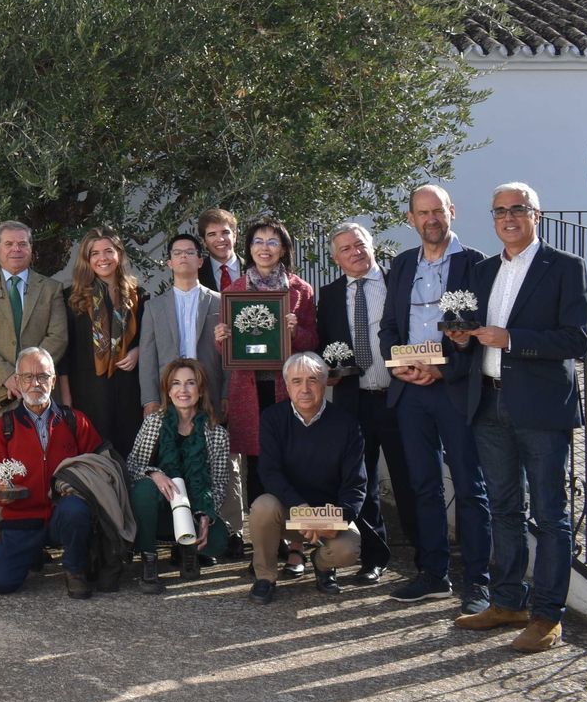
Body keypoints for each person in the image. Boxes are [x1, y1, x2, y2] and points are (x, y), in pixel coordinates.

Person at [449, 183, 587, 652]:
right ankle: (509, 602)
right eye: (499, 211)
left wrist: (511, 339)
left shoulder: (565, 266)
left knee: (549, 515)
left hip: (540, 410)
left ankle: (548, 615)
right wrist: (463, 339)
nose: (508, 218)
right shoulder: (483, 270)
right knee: (504, 509)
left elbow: (576, 340)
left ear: (536, 214)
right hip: (488, 404)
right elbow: (475, 333)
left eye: (517, 209)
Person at [379, 184, 492, 614]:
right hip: (410, 391)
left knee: (469, 486)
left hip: (455, 390)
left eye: (438, 211)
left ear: (451, 212)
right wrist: (398, 364)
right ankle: (433, 574)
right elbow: (390, 326)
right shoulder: (402, 263)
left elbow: (480, 330)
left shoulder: (477, 264)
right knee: (422, 485)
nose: (431, 219)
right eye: (422, 213)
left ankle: (478, 582)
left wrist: (444, 369)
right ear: (411, 219)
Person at [316, 220, 414, 585]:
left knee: (411, 480)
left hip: (400, 399)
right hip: (353, 402)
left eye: (360, 244)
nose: (355, 252)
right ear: (335, 258)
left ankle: (427, 559)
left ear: (372, 245)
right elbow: (324, 346)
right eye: (346, 248)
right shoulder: (328, 295)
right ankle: (375, 558)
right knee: (364, 484)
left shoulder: (397, 282)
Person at [0, 219, 68, 556]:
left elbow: (57, 337)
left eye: (22, 243)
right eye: (8, 244)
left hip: (37, 394)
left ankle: (37, 538)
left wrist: (28, 378)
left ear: (31, 249)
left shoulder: (50, 289)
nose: (15, 249)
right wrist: (8, 376)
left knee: (37, 463)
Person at [139, 233, 240, 546]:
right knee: (174, 456)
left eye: (190, 252)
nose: (183, 257)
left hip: (209, 392)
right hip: (170, 394)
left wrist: (226, 393)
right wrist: (150, 399)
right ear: (169, 262)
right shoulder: (154, 306)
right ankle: (177, 527)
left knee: (222, 459)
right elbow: (148, 356)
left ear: (200, 260)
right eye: (177, 252)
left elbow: (229, 355)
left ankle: (231, 527)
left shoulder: (220, 302)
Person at [0, 347, 105, 598]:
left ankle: (75, 569)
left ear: (54, 381)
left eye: (42, 376)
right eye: (27, 377)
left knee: (75, 510)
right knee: (0, 583)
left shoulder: (74, 421)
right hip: (22, 519)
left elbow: (99, 466)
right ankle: (31, 553)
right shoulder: (4, 427)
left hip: (62, 514)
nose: (35, 383)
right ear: (17, 381)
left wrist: (80, 489)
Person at [214, 216, 318, 505]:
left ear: (283, 248)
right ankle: (263, 524)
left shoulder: (301, 290)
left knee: (292, 454)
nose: (265, 248)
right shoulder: (233, 291)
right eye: (258, 241)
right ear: (249, 248)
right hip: (250, 389)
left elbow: (312, 342)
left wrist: (296, 332)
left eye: (272, 241)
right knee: (258, 459)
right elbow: (227, 349)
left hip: (288, 386)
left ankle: (294, 523)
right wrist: (221, 338)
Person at [247, 352, 366, 604]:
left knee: (348, 549)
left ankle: (322, 565)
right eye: (297, 381)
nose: (304, 388)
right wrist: (302, 509)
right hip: (289, 511)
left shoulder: (347, 424)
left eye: (312, 380)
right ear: (287, 385)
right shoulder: (272, 418)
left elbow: (356, 485)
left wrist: (335, 520)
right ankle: (265, 576)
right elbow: (269, 472)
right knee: (262, 506)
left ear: (324, 383)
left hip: (328, 514)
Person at [125, 360, 232, 593]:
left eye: (190, 383)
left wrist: (207, 514)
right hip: (159, 509)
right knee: (144, 490)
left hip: (192, 509)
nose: (183, 390)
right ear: (168, 390)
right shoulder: (154, 423)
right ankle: (149, 559)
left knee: (218, 542)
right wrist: (154, 474)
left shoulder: (217, 434)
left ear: (200, 390)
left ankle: (188, 549)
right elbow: (131, 467)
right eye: (176, 383)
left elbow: (219, 484)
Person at [60, 227, 144, 456]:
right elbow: (64, 354)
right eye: (94, 253)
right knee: (94, 456)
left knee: (129, 455)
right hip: (87, 392)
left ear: (119, 254)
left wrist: (137, 351)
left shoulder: (138, 296)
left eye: (108, 251)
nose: (102, 258)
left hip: (128, 391)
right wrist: (66, 399)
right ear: (87, 260)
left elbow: (148, 340)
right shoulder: (71, 298)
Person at [196, 207, 242, 292]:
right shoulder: (196, 275)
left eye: (225, 232)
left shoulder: (256, 269)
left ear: (234, 236)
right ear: (204, 241)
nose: (220, 239)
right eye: (212, 234)